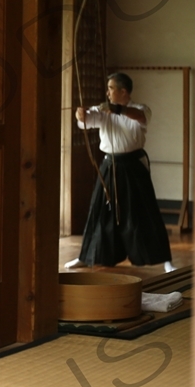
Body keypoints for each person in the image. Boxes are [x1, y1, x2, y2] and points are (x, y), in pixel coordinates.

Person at [74, 71, 175, 272]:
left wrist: (116, 109)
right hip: (109, 165)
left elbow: (138, 116)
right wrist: (80, 113)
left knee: (145, 211)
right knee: (100, 210)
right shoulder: (103, 110)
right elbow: (84, 120)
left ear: (123, 91)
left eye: (111, 88)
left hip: (133, 166)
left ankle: (165, 260)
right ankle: (87, 256)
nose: (108, 92)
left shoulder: (140, 109)